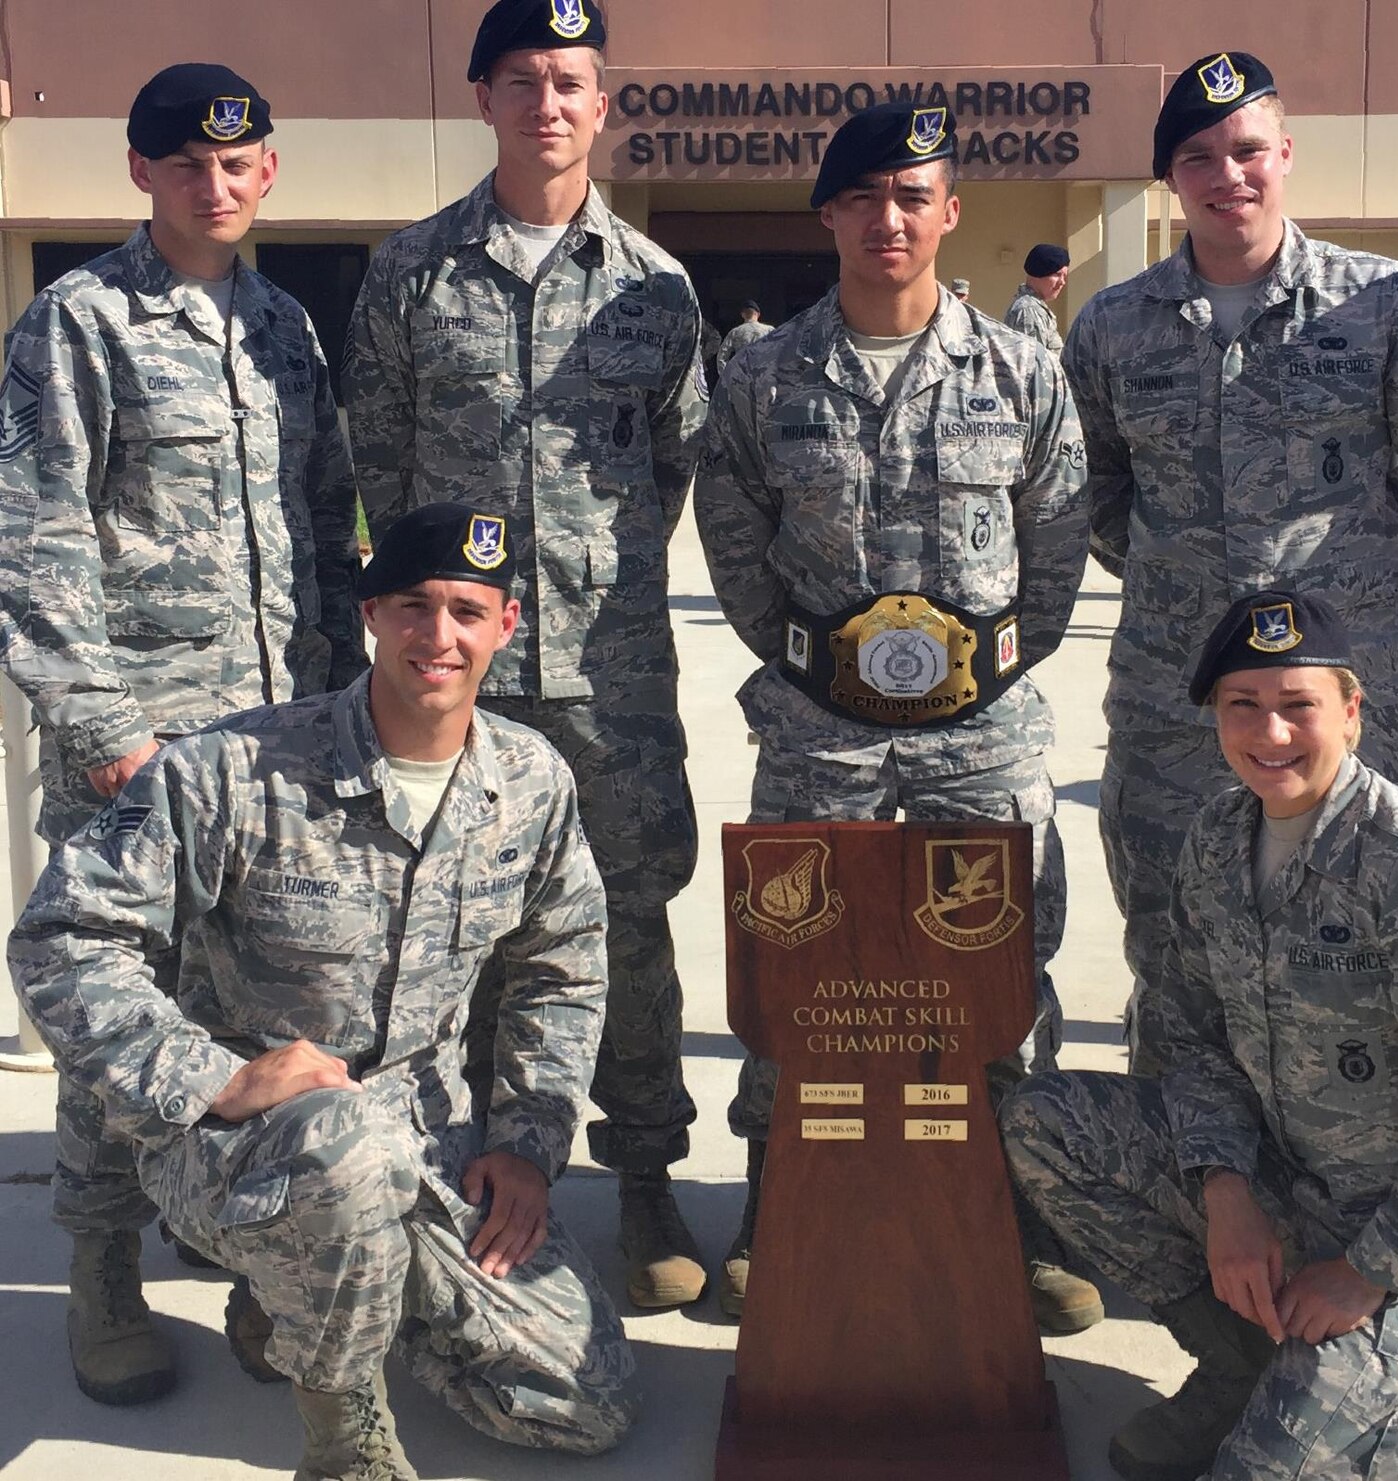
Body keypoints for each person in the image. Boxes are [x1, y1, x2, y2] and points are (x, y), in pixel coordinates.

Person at [10, 503, 633, 1480]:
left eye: (468, 611)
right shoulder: (236, 769)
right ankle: (345, 1436)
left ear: (505, 626)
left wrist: (526, 1142)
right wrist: (211, 1077)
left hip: (427, 1141)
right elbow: (63, 935)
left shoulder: (528, 780)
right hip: (238, 1147)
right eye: (415, 606)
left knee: (579, 1405)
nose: (441, 636)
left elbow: (564, 961)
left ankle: (294, 1299)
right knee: (342, 1149)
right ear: (373, 614)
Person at [693, 100, 1099, 1332]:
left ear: (949, 212)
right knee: (796, 956)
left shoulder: (1020, 366)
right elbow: (732, 532)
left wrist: (989, 665)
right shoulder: (764, 372)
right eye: (864, 196)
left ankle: (1017, 1200)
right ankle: (779, 1190)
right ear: (829, 213)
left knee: (1002, 963)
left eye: (912, 195)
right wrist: (819, 664)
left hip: (981, 728)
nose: (888, 218)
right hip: (820, 724)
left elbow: (1061, 535)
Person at [0, 61, 363, 1407]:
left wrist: (342, 717)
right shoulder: (76, 324)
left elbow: (328, 530)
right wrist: (105, 738)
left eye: (241, 160)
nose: (219, 183)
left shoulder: (286, 331)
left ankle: (258, 1259)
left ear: (269, 170)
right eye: (190, 163)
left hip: (278, 751)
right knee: (119, 1018)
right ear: (141, 174)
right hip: (139, 755)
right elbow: (34, 542)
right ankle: (104, 1270)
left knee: (267, 1011)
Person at [343, 0, 714, 1311]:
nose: (547, 102)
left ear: (602, 103)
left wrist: (586, 592)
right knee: (451, 929)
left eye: (571, 80)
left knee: (627, 924)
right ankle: (463, 1175)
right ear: (483, 97)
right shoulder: (409, 275)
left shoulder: (658, 290)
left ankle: (649, 1172)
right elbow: (376, 470)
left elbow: (676, 468)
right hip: (457, 677)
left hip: (611, 676)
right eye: (522, 80)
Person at [1003, 589, 1398, 1481]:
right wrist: (1226, 1191)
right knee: (1046, 1123)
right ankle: (1247, 1364)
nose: (1273, 733)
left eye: (1300, 705)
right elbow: (1191, 1036)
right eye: (1243, 706)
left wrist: (1366, 1272)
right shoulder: (1219, 838)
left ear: (1353, 711)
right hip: (1290, 1189)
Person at [1062, 51, 1398, 1071]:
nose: (1228, 176)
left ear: (1285, 155)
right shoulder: (1114, 326)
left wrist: (1357, 594)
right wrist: (1186, 589)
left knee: (1366, 927)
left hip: (1344, 689)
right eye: (1200, 156)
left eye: (1248, 150)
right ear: (1172, 176)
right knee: (1171, 939)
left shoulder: (1385, 305)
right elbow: (1096, 495)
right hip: (1178, 693)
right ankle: (1190, 1173)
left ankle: (1351, 1177)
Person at [1005, 244, 1069, 352]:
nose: (1062, 282)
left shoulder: (1032, 306)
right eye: (1057, 275)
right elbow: (1033, 364)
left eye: (1064, 276)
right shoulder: (1029, 310)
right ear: (1039, 273)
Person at [717, 298, 774, 371]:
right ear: (758, 314)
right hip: (764, 375)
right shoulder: (770, 331)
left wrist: (726, 377)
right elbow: (781, 350)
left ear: (742, 315)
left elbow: (721, 356)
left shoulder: (735, 332)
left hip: (742, 375)